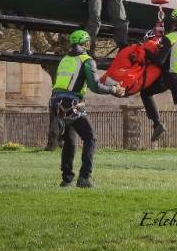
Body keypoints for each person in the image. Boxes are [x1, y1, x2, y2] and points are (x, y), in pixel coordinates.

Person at [51, 29, 125, 188]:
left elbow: (67, 84)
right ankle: (84, 178)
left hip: (56, 102)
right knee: (90, 137)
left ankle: (67, 179)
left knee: (70, 141)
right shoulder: (86, 60)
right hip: (70, 103)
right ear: (85, 43)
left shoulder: (64, 59)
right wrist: (113, 90)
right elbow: (95, 86)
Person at [141, 7, 177, 141]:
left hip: (172, 77)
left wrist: (146, 51)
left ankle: (157, 124)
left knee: (146, 92)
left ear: (176, 21)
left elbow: (159, 61)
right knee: (174, 78)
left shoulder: (170, 37)